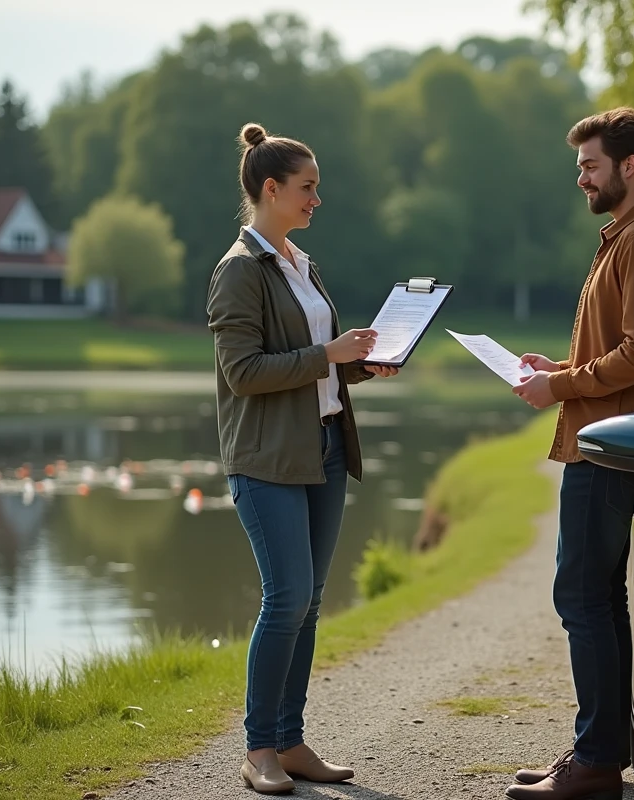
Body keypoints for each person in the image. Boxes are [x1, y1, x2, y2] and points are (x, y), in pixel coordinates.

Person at [206, 122, 398, 795]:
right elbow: (244, 374)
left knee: (310, 601)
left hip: (324, 450)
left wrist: (364, 366)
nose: (318, 198)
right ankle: (258, 750)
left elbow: (322, 367)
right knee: (285, 597)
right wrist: (330, 354)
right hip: (265, 459)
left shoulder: (300, 261)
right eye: (307, 187)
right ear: (271, 188)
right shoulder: (238, 271)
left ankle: (291, 741)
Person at [507, 107, 634, 800]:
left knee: (582, 598)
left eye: (589, 165)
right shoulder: (629, 236)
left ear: (629, 166)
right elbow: (623, 347)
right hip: (607, 439)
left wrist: (559, 385)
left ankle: (594, 766)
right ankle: (601, 751)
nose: (580, 178)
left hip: (610, 448)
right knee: (599, 602)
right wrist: (558, 366)